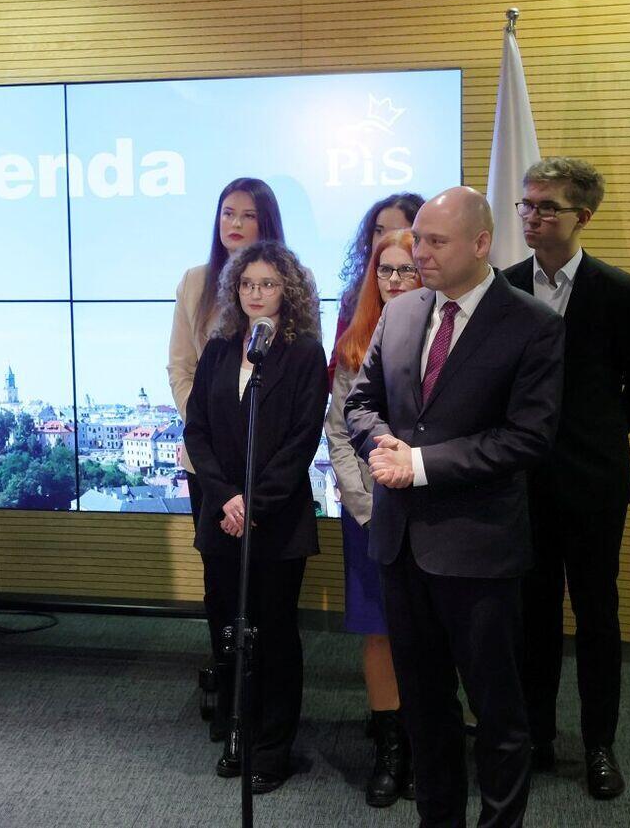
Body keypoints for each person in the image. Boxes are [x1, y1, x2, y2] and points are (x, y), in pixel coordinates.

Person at [344, 186, 565, 827]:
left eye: (435, 241)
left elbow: (527, 438)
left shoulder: (533, 324)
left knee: (497, 714)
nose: (420, 252)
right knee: (424, 708)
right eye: (417, 238)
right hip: (401, 547)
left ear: (481, 242)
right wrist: (382, 443)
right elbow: (360, 403)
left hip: (479, 550)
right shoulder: (401, 311)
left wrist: (418, 465)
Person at [504, 157, 630, 799]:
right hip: (522, 483)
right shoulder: (504, 285)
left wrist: (592, 438)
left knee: (597, 614)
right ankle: (536, 735)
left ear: (582, 217)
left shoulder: (621, 291)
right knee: (532, 613)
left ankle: (599, 743)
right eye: (527, 204)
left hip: (594, 484)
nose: (532, 216)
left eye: (548, 207)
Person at [183, 240, 327, 794]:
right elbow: (197, 430)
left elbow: (301, 440)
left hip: (277, 520)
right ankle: (236, 730)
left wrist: (253, 503)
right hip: (221, 516)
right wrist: (225, 498)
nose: (256, 293)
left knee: (274, 634)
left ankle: (273, 746)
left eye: (267, 284)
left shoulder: (304, 353)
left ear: (287, 290)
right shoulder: (219, 350)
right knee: (228, 629)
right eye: (247, 284)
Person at [166, 177, 285, 740]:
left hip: (267, 469)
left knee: (267, 591)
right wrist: (213, 430)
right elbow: (180, 368)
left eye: (247, 215)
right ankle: (231, 694)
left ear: (267, 224)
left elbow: (300, 376)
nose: (234, 224)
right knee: (220, 585)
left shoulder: (287, 281)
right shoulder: (197, 282)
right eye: (226, 213)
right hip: (209, 466)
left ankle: (265, 703)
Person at [324, 229, 420, 807]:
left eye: (407, 269)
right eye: (386, 270)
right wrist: (363, 508)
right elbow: (338, 435)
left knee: (427, 634)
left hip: (430, 510)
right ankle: (390, 751)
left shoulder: (444, 335)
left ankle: (423, 743)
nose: (395, 280)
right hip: (367, 515)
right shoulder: (353, 344)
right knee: (379, 633)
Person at [328, 193, 425, 384]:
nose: (383, 239)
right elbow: (336, 370)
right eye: (379, 231)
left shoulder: (439, 304)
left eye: (397, 231)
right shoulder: (353, 299)